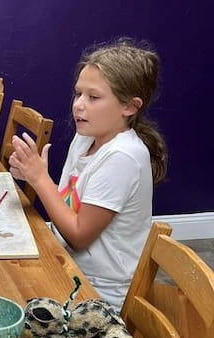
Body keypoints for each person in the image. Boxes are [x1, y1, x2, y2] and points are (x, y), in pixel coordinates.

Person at [9, 38, 168, 311]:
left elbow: (79, 235)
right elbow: (70, 204)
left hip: (98, 294)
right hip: (68, 265)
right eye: (78, 94)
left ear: (129, 107)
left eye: (93, 97)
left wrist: (40, 179)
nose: (79, 105)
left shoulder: (123, 157)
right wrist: (32, 172)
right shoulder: (86, 138)